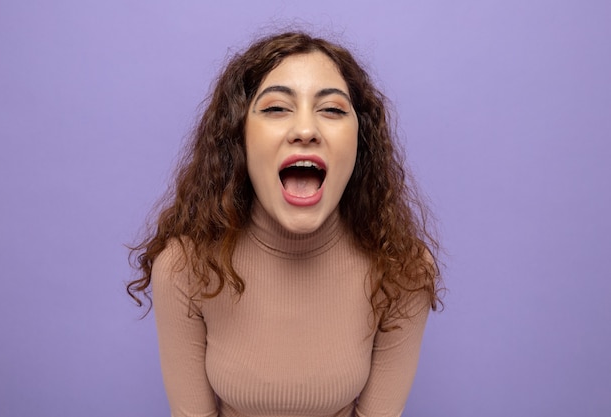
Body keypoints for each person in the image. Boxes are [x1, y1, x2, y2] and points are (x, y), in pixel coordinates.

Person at [127, 31, 442, 417]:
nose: (305, 130)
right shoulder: (183, 268)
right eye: (276, 108)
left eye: (332, 110)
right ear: (239, 138)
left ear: (360, 143)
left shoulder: (403, 272)